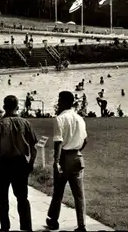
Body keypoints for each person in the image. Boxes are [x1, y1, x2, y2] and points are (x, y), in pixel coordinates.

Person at [0, 95, 37, 231]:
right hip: (20, 162)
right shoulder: (25, 123)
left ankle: (5, 227)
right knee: (22, 197)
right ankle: (26, 227)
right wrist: (31, 163)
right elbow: (34, 148)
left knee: (2, 197)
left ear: (4, 107)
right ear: (18, 107)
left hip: (4, 163)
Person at [46, 91, 87, 232]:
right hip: (77, 156)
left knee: (58, 190)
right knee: (79, 194)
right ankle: (82, 224)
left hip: (64, 157)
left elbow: (58, 142)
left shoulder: (60, 119)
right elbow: (85, 140)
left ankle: (53, 220)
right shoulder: (80, 118)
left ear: (63, 102)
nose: (58, 103)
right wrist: (77, 149)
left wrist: (56, 161)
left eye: (59, 100)